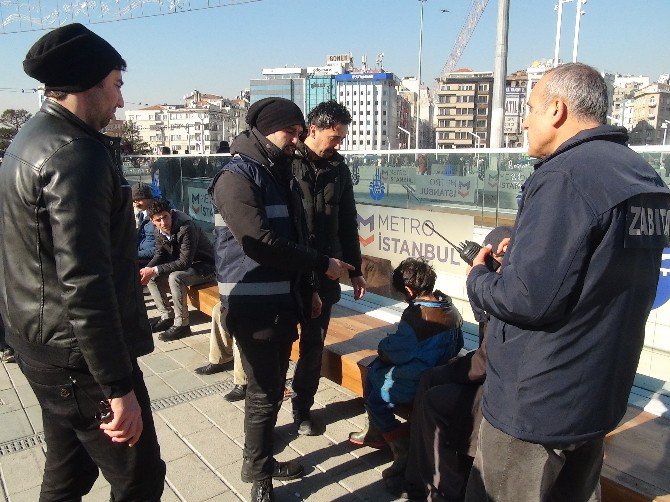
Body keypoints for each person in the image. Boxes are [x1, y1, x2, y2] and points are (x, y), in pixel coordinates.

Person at [465, 63, 670, 501]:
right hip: (596, 396)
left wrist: (479, 278)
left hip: (538, 404)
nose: (524, 120)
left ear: (556, 110)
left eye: (531, 108)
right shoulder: (643, 177)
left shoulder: (565, 176)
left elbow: (526, 300)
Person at [0, 23, 165, 500]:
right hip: (80, 360)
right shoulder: (76, 156)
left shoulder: (27, 140)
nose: (120, 101)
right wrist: (117, 386)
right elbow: (86, 280)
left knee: (69, 473)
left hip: (42, 347)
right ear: (90, 85)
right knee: (139, 478)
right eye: (116, 86)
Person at [210, 97, 354, 502]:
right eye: (290, 131)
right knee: (263, 393)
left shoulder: (276, 175)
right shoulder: (237, 177)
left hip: (282, 302)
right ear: (265, 129)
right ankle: (258, 474)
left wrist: (307, 289)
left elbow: (297, 238)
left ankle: (261, 463)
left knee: (270, 391)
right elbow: (263, 244)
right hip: (254, 307)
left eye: (298, 130)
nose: (297, 138)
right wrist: (321, 263)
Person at [390, 227, 511, 502]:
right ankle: (417, 475)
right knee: (429, 379)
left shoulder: (509, 294)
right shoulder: (504, 288)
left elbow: (484, 360)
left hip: (503, 393)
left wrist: (480, 285)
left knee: (436, 399)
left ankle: (444, 489)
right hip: (494, 375)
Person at [290, 100, 367, 435]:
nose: (338, 145)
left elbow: (347, 222)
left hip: (327, 271)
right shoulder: (287, 163)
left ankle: (301, 408)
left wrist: (356, 270)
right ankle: (263, 404)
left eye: (342, 139)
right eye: (334, 138)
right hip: (290, 270)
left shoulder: (339, 168)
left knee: (313, 344)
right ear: (313, 130)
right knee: (279, 341)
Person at [348, 257, 463, 480]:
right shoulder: (451, 309)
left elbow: (397, 351)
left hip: (417, 379)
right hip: (440, 372)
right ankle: (376, 431)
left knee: (376, 395)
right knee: (375, 371)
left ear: (409, 290)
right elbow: (457, 344)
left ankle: (400, 446)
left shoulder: (417, 318)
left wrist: (384, 347)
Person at [140, 198, 215, 341]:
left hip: (206, 268)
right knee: (152, 276)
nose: (163, 223)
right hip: (187, 267)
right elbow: (160, 254)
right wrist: (146, 270)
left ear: (171, 213)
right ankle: (166, 316)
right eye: (158, 220)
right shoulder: (158, 230)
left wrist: (154, 269)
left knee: (175, 277)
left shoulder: (186, 227)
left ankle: (182, 325)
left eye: (165, 217)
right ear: (152, 221)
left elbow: (184, 262)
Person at [132, 182, 157, 268]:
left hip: (151, 259)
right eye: (134, 201)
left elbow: (158, 249)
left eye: (139, 200)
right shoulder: (141, 213)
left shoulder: (158, 216)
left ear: (149, 198)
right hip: (140, 253)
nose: (136, 204)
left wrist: (133, 255)